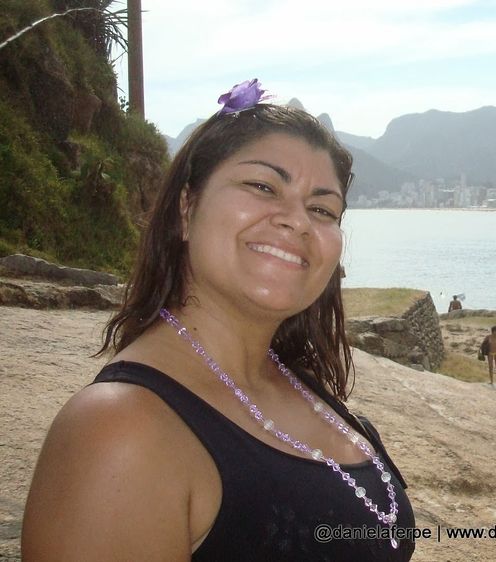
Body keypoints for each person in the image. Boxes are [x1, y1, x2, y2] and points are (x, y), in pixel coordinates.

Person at [21, 81, 416, 560]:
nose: (298, 221)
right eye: (263, 186)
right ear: (186, 210)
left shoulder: (299, 384)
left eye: (322, 208)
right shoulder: (118, 431)